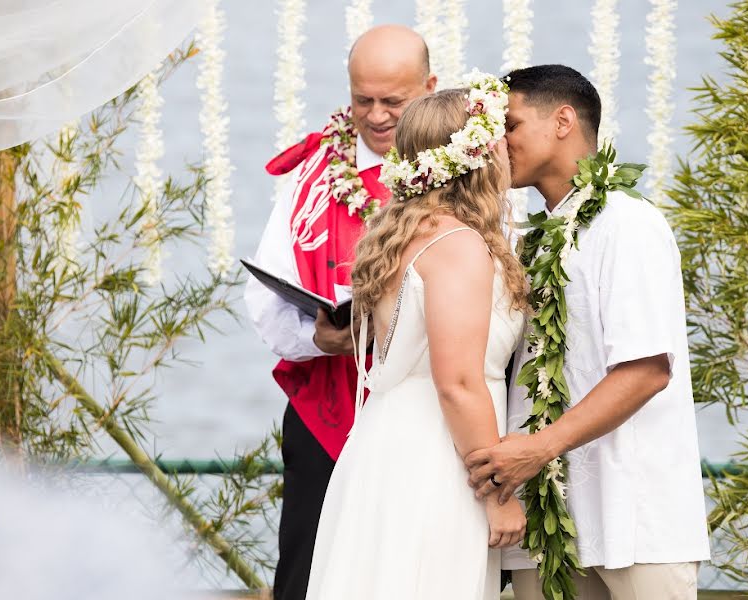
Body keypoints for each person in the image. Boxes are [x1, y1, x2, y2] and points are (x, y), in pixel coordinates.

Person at [466, 65, 711, 600]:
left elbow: (647, 370)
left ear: (562, 120)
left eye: (509, 125)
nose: (496, 144)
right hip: (548, 522)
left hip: (636, 515)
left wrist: (538, 449)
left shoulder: (628, 223)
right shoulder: (533, 238)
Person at [305, 80, 528, 600]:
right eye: (498, 137)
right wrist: (495, 493)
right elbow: (458, 382)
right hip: (436, 458)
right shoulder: (458, 245)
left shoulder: (404, 233)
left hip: (388, 442)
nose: (508, 149)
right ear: (477, 154)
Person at [243, 25, 436, 600]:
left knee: (408, 566)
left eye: (393, 102)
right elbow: (264, 297)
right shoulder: (309, 175)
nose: (375, 117)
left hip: (424, 408)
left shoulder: (464, 173)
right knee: (307, 569)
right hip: (322, 407)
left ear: (429, 88)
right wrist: (318, 338)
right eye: (362, 100)